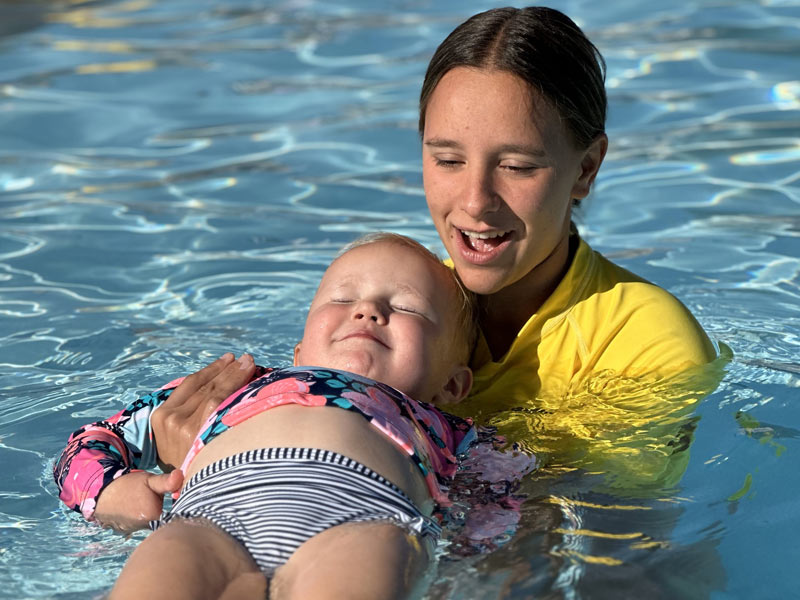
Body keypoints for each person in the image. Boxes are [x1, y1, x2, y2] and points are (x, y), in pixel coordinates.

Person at [149, 6, 722, 493]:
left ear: (586, 168)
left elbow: (608, 534)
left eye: (517, 166)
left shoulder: (648, 344)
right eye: (447, 160)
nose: (474, 202)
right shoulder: (400, 305)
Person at [53, 233, 515, 600]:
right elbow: (93, 440)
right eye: (341, 298)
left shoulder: (445, 426)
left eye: (406, 307)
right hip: (207, 523)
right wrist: (108, 491)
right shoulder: (242, 381)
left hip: (363, 524)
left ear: (452, 386)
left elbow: (504, 495)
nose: (367, 310)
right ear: (299, 352)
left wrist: (468, 559)